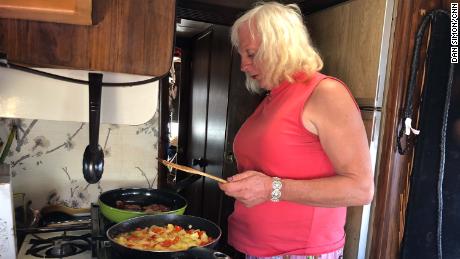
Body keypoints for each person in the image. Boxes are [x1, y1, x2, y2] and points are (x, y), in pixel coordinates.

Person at [218, 2, 374, 259]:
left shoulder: (325, 93)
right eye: (242, 55)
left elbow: (360, 189)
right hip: (255, 248)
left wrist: (271, 188)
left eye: (251, 53)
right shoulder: (272, 98)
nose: (243, 65)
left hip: (297, 253)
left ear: (279, 46)